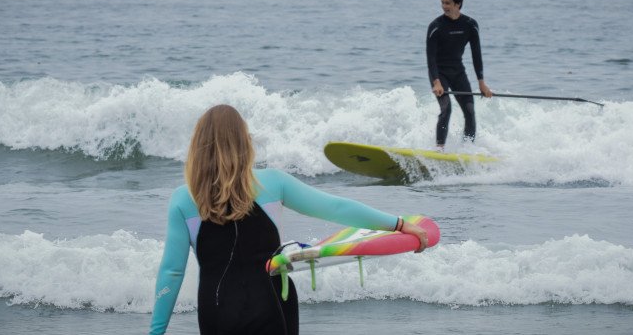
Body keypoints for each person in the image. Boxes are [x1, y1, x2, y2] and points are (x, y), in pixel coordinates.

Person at [149, 104, 429, 335]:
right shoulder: (274, 183)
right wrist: (399, 224)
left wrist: (156, 331)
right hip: (272, 306)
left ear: (198, 147)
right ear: (245, 142)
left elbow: (172, 272)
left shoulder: (183, 200)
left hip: (217, 310)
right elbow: (336, 208)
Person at [426, 0, 493, 151]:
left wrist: (482, 84)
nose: (444, 6)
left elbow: (476, 55)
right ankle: (440, 149)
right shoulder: (436, 26)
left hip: (458, 72)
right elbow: (431, 58)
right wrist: (436, 82)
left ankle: (467, 149)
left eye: (447, 3)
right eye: (442, 2)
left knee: (470, 111)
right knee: (446, 108)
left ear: (458, 4)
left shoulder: (470, 25)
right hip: (439, 75)